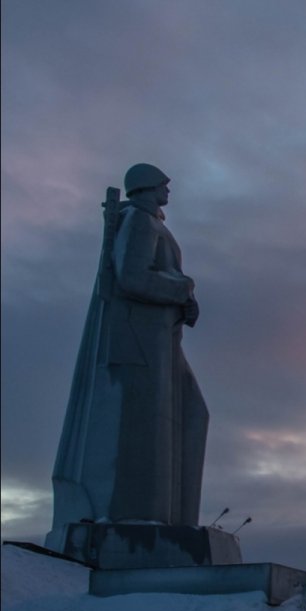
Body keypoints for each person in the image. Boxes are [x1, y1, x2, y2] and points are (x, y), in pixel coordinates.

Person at [45, 163, 209, 552]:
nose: (168, 191)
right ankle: (139, 517)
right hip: (139, 339)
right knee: (145, 427)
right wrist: (183, 288)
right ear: (147, 187)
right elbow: (132, 277)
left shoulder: (153, 225)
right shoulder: (138, 222)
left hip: (160, 339)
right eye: (163, 185)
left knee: (192, 413)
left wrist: (186, 301)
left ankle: (173, 518)